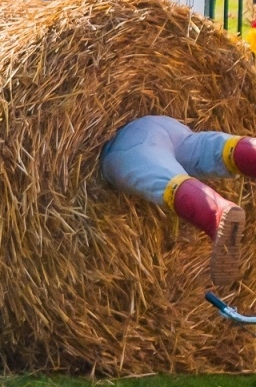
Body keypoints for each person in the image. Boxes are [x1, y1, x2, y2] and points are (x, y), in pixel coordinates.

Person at [103, 116, 250, 289]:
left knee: (205, 154)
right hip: (148, 142)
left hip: (153, 135)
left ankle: (216, 210)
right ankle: (216, 208)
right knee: (188, 165)